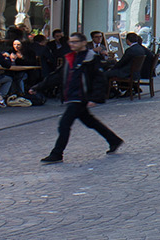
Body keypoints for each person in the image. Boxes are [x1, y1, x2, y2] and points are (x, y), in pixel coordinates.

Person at [41, 33, 123, 163]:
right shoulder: (70, 57)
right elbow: (58, 75)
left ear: (84, 42)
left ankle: (57, 153)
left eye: (75, 42)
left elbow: (99, 79)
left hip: (80, 97)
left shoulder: (91, 58)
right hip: (72, 96)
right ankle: (114, 140)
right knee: (90, 122)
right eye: (70, 42)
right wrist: (38, 87)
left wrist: (95, 97)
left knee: (64, 124)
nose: (72, 44)